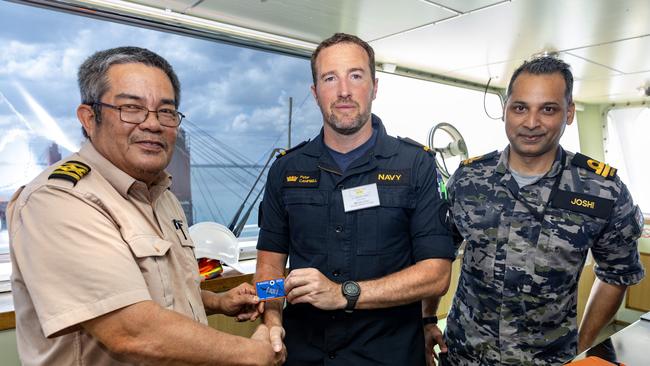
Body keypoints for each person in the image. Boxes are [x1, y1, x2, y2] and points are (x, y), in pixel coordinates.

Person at [8, 46, 284, 366]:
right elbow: (130, 330)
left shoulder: (161, 194)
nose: (152, 124)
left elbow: (159, 294)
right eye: (131, 107)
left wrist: (217, 302)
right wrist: (254, 353)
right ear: (88, 117)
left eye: (165, 111)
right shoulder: (59, 201)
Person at [254, 32, 457, 365]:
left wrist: (343, 294)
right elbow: (268, 270)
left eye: (356, 76)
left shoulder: (416, 164)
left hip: (389, 355)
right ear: (315, 92)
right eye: (330, 78)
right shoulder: (286, 170)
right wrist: (272, 320)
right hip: (303, 354)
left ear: (374, 87)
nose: (344, 91)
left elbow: (436, 273)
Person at [435, 56, 645, 365]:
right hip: (464, 354)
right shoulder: (467, 180)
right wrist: (428, 319)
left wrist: (583, 348)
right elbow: (437, 254)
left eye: (548, 109)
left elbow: (617, 273)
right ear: (505, 110)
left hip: (548, 359)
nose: (531, 123)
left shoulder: (603, 191)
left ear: (569, 112)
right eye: (520, 107)